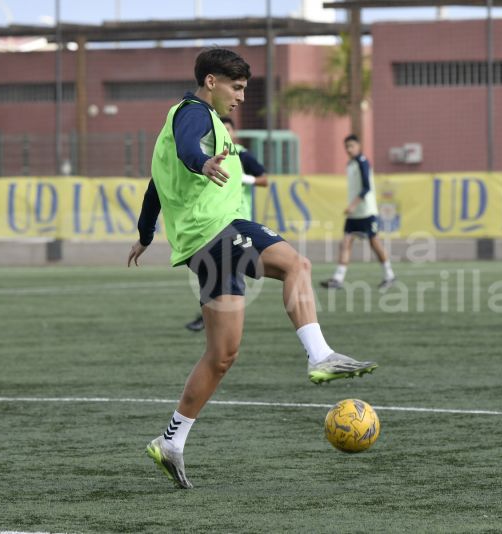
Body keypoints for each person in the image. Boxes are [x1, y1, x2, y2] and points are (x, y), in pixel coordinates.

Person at [128, 48, 377, 489]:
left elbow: (155, 187)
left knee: (222, 355)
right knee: (296, 264)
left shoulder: (189, 122)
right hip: (218, 230)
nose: (241, 97)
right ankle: (320, 355)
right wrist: (201, 161)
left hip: (202, 246)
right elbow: (187, 149)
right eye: (237, 87)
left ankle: (170, 441)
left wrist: (146, 233)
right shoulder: (194, 114)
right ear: (211, 82)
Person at [184, 116, 268, 332]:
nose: (226, 133)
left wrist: (244, 178)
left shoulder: (240, 154)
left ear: (234, 133)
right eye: (222, 129)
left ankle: (220, 317)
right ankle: (213, 316)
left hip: (239, 221)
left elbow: (264, 179)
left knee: (229, 271)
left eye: (228, 129)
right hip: (215, 222)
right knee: (218, 271)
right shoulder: (207, 155)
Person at [320, 134, 396, 291]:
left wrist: (353, 205)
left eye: (351, 146)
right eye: (346, 147)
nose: (349, 149)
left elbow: (366, 187)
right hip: (354, 214)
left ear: (359, 146)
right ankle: (338, 278)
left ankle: (389, 275)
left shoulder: (363, 162)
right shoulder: (350, 164)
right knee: (346, 242)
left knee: (374, 243)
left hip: (367, 212)